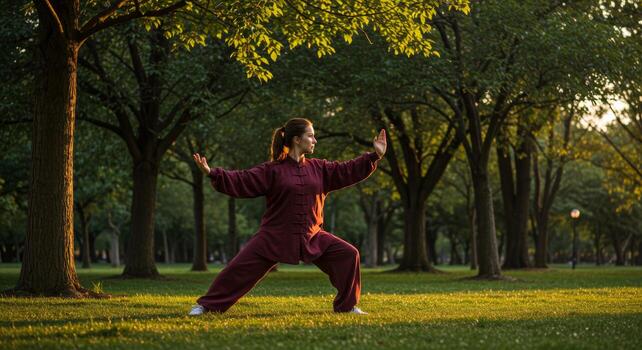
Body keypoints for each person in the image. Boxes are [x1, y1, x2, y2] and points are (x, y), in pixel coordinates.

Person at [189, 118, 387, 316]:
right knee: (238, 270)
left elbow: (347, 170)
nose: (315, 140)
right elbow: (243, 179)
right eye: (310, 136)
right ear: (296, 139)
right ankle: (206, 306)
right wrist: (212, 173)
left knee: (349, 254)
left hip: (313, 235)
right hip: (274, 236)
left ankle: (346, 307)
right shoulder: (271, 170)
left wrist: (374, 156)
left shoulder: (320, 169)